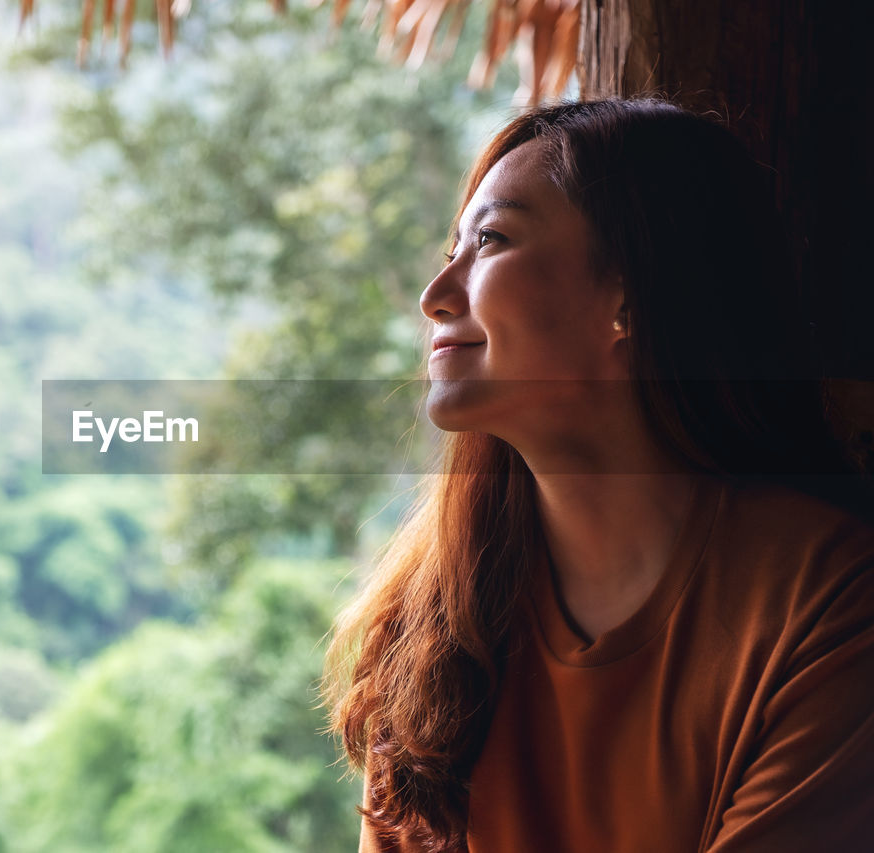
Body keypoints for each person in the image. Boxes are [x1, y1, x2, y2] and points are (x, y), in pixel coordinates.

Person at [323, 98, 874, 853]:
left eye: (490, 239)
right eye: (453, 246)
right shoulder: (433, 626)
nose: (437, 295)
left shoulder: (833, 603)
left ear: (631, 292)